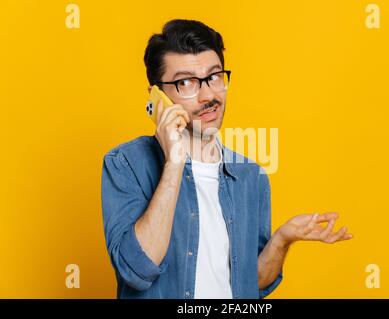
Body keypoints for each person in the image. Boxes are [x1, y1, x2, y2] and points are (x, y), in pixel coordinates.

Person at [101, 19, 353, 299]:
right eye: (186, 83)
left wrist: (282, 239)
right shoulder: (125, 164)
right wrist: (174, 162)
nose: (208, 95)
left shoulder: (250, 175)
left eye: (214, 77)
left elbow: (254, 282)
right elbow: (137, 270)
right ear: (157, 96)